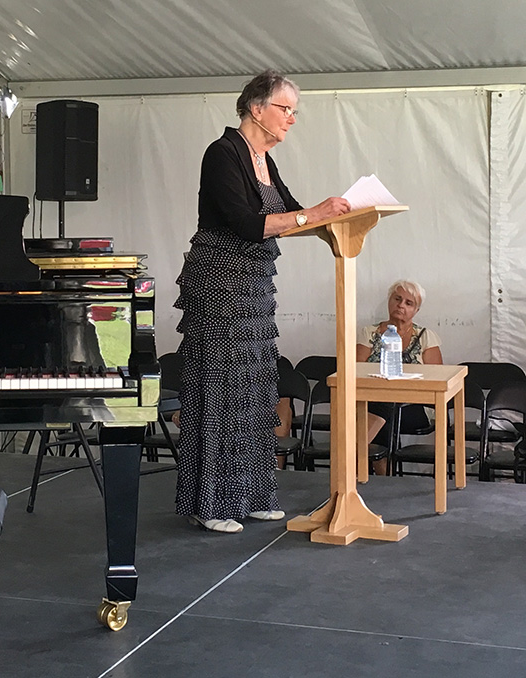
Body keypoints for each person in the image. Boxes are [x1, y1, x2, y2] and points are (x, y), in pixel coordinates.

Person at [174, 70, 351, 534]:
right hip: (219, 282)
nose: (292, 119)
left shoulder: (264, 160)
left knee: (254, 391)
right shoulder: (223, 153)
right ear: (257, 109)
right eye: (285, 108)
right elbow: (248, 223)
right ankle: (211, 503)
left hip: (254, 287)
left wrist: (340, 214)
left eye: (294, 110)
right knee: (221, 391)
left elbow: (291, 216)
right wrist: (314, 213)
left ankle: (249, 494)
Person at [356, 280, 443, 475]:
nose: (401, 305)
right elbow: (356, 372)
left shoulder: (426, 336)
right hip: (373, 403)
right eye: (397, 299)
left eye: (408, 303)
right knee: (383, 407)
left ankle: (355, 451)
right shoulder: (368, 333)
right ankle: (384, 480)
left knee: (385, 406)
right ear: (389, 301)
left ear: (416, 310)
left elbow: (437, 380)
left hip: (414, 408)